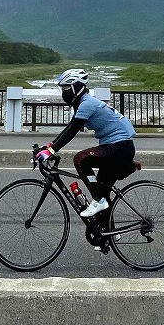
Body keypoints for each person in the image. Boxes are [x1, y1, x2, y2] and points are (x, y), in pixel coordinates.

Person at [33, 68, 137, 224]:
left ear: (77, 87)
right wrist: (49, 147)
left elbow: (73, 130)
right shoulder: (83, 103)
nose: (64, 92)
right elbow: (70, 127)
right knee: (102, 190)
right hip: (117, 147)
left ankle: (98, 201)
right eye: (62, 89)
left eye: (67, 88)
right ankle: (109, 235)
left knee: (81, 160)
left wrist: (52, 150)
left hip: (120, 147)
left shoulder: (88, 103)